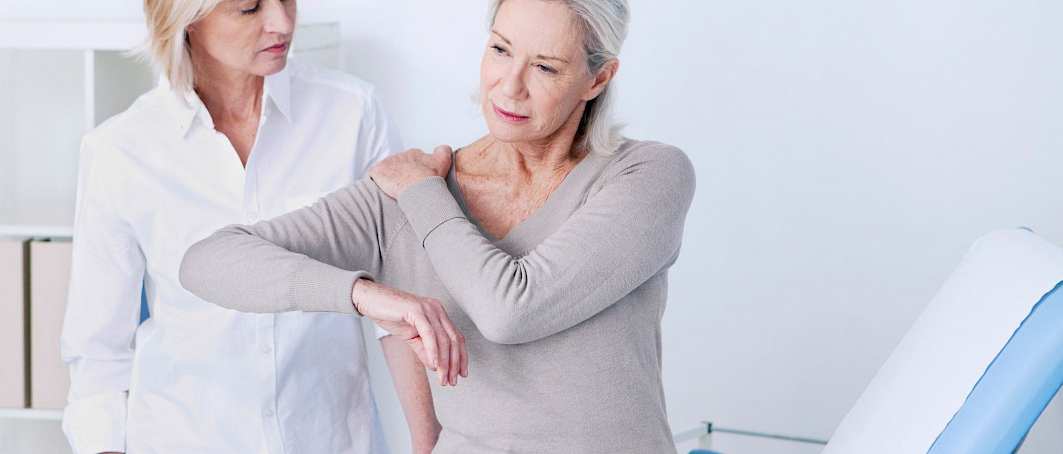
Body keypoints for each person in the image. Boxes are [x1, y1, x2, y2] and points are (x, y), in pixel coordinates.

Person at [179, 0, 696, 451]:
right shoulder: (400, 194)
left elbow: (510, 310)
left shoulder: (646, 176)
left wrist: (424, 194)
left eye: (545, 66)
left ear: (598, 79)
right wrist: (368, 296)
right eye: (500, 49)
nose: (509, 86)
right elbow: (207, 261)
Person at [59, 0, 439, 452]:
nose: (282, 22)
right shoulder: (120, 151)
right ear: (186, 18)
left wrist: (427, 442)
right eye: (249, 8)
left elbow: (401, 299)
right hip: (184, 438)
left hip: (329, 437)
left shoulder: (353, 113)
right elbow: (98, 354)